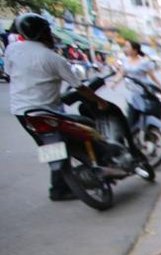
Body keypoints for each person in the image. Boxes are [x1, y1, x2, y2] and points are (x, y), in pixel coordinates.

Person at [5, 13, 107, 201]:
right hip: (48, 112)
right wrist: (100, 101)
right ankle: (67, 185)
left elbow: (10, 73)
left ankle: (59, 187)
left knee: (51, 148)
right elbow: (80, 87)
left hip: (23, 113)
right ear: (43, 33)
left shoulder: (12, 50)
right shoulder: (53, 58)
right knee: (75, 138)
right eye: (49, 31)